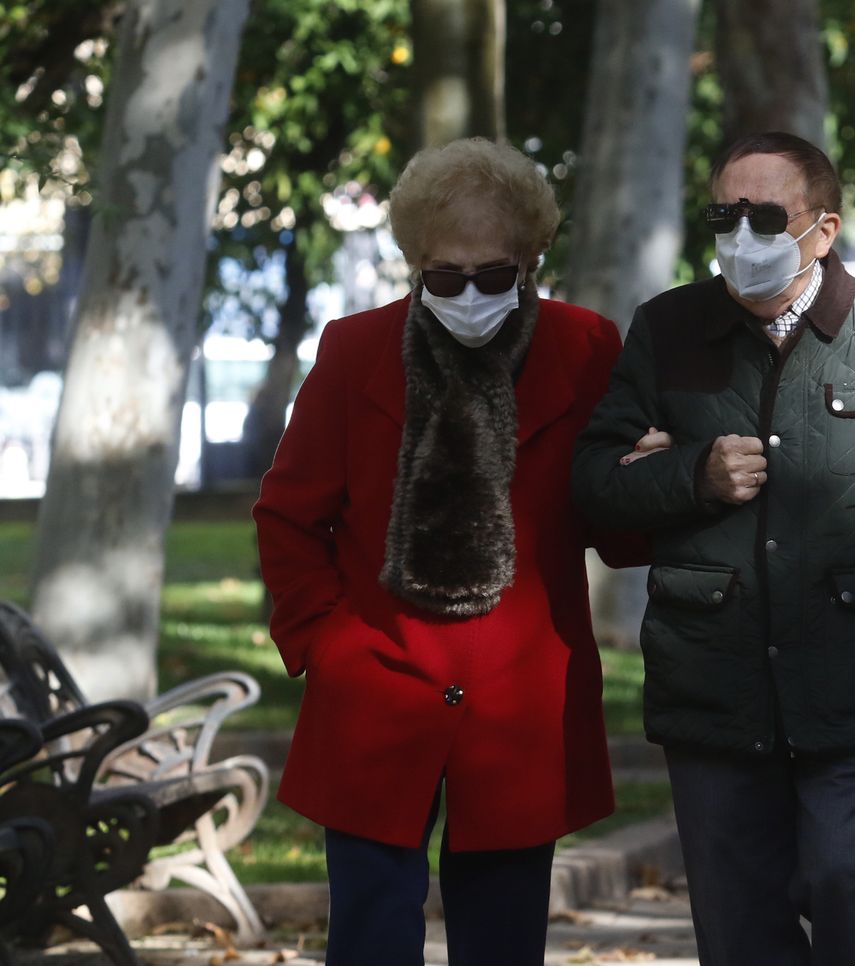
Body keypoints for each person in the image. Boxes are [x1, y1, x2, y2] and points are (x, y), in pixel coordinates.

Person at [570, 131, 855, 966]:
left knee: (852, 879)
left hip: (854, 676)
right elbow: (594, 482)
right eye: (726, 214)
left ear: (824, 228)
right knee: (740, 929)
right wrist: (690, 477)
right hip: (713, 682)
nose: (742, 235)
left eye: (767, 216)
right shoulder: (668, 329)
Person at [253, 138, 644, 964]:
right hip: (375, 682)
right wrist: (325, 643)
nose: (470, 294)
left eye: (495, 275)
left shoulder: (585, 348)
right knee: (369, 936)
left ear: (533, 259)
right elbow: (289, 516)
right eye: (446, 277)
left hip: (521, 698)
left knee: (503, 938)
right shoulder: (355, 349)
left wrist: (655, 474)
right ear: (413, 263)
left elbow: (618, 532)